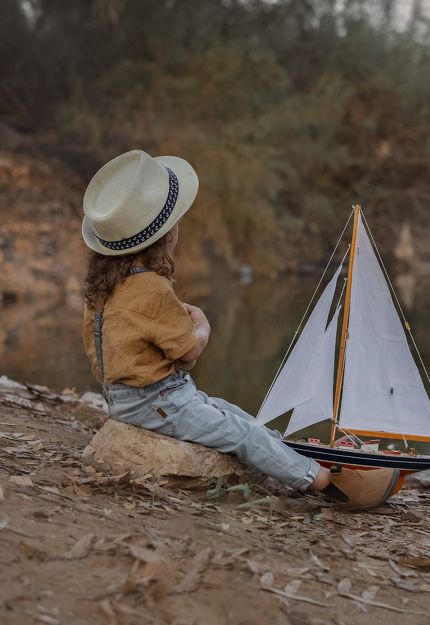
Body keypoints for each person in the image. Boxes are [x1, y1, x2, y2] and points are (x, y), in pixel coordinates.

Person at [80, 150, 397, 510]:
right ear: (166, 237)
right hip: (155, 403)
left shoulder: (103, 288)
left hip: (131, 397)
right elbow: (187, 352)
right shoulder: (150, 288)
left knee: (233, 413)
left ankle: (289, 459)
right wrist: (201, 326)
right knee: (240, 432)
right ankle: (324, 481)